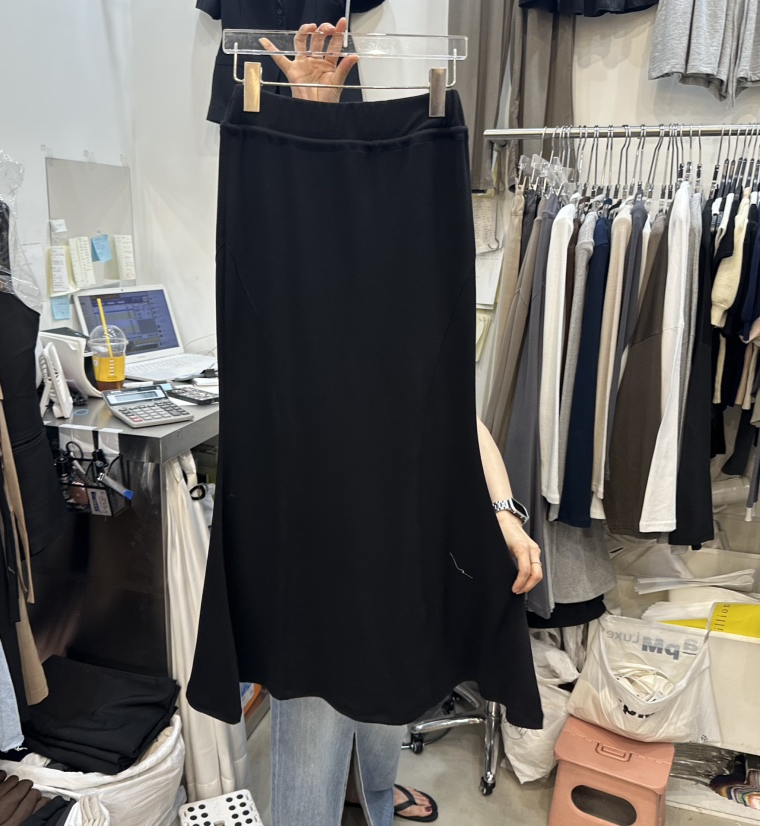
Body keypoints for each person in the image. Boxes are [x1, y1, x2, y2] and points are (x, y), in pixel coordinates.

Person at [252, 19, 545, 825]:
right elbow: (291, 225)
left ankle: (376, 801)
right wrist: (310, 118)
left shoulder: (414, 311)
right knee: (312, 744)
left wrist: (502, 512)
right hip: (318, 556)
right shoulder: (301, 312)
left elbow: (460, 420)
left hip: (401, 556)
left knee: (385, 723)